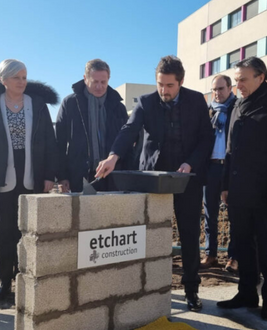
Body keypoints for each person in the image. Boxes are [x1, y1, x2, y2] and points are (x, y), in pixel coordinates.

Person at [96, 56, 214, 312]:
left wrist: (190, 163)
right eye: (160, 84)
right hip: (152, 178)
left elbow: (207, 137)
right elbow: (129, 129)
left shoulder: (196, 101)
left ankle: (191, 290)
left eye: (170, 85)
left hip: (187, 179)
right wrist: (114, 156)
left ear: (181, 82)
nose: (164, 91)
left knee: (190, 236)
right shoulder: (146, 102)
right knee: (146, 235)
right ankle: (144, 290)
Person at [217, 57, 267, 321]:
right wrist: (226, 185)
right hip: (239, 191)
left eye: (243, 79)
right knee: (242, 244)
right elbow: (230, 151)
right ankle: (247, 293)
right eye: (236, 79)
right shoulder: (238, 105)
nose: (237, 84)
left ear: (260, 77)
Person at [0, 59, 59, 303]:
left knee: (29, 232)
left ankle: (27, 279)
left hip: (32, 174)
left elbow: (49, 142)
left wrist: (48, 175)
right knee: (4, 232)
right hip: (0, 175)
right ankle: (4, 283)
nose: (22, 82)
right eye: (16, 78)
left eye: (24, 77)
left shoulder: (38, 104)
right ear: (4, 80)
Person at [55, 59, 131, 192]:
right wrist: (62, 176)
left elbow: (126, 143)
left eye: (103, 82)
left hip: (113, 176)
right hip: (79, 176)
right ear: (85, 78)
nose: (99, 86)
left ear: (109, 79)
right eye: (95, 82)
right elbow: (59, 143)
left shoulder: (118, 107)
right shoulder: (70, 103)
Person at [200, 74, 238, 272]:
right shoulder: (207, 111)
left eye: (221, 88)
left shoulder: (238, 109)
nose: (217, 93)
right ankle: (211, 254)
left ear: (230, 88)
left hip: (231, 168)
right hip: (211, 167)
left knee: (234, 214)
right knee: (210, 213)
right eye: (214, 89)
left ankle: (233, 258)